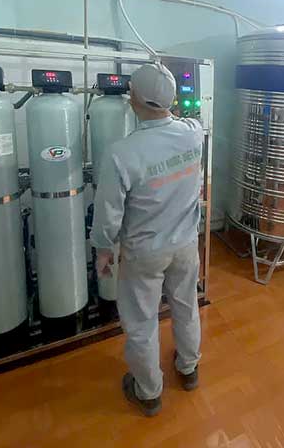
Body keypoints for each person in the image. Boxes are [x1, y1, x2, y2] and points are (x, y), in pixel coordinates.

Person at [91, 62, 203, 417]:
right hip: (186, 245)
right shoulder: (194, 133)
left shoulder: (121, 153)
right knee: (186, 306)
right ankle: (188, 368)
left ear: (133, 99)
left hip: (144, 252)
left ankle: (149, 392)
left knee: (142, 322)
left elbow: (108, 212)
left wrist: (104, 249)